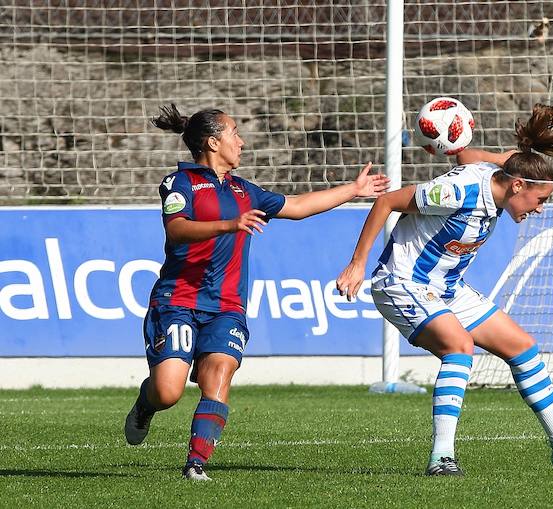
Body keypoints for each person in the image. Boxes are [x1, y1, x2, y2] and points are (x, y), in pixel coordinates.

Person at [336, 103, 553, 476]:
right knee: (459, 346)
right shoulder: (456, 191)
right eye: (541, 200)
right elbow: (387, 201)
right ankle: (442, 458)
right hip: (403, 284)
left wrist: (461, 149)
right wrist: (357, 263)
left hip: (448, 289)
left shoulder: (504, 175)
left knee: (523, 348)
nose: (540, 210)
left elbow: (480, 155)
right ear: (517, 186)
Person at [124, 104, 389, 481]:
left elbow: (296, 207)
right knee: (168, 392)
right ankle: (144, 406)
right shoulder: (179, 183)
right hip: (178, 301)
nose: (242, 142)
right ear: (214, 142)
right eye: (234, 133)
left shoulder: (244, 190)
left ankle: (195, 465)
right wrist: (229, 224)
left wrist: (355, 190)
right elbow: (177, 230)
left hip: (227, 306)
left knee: (218, 374)